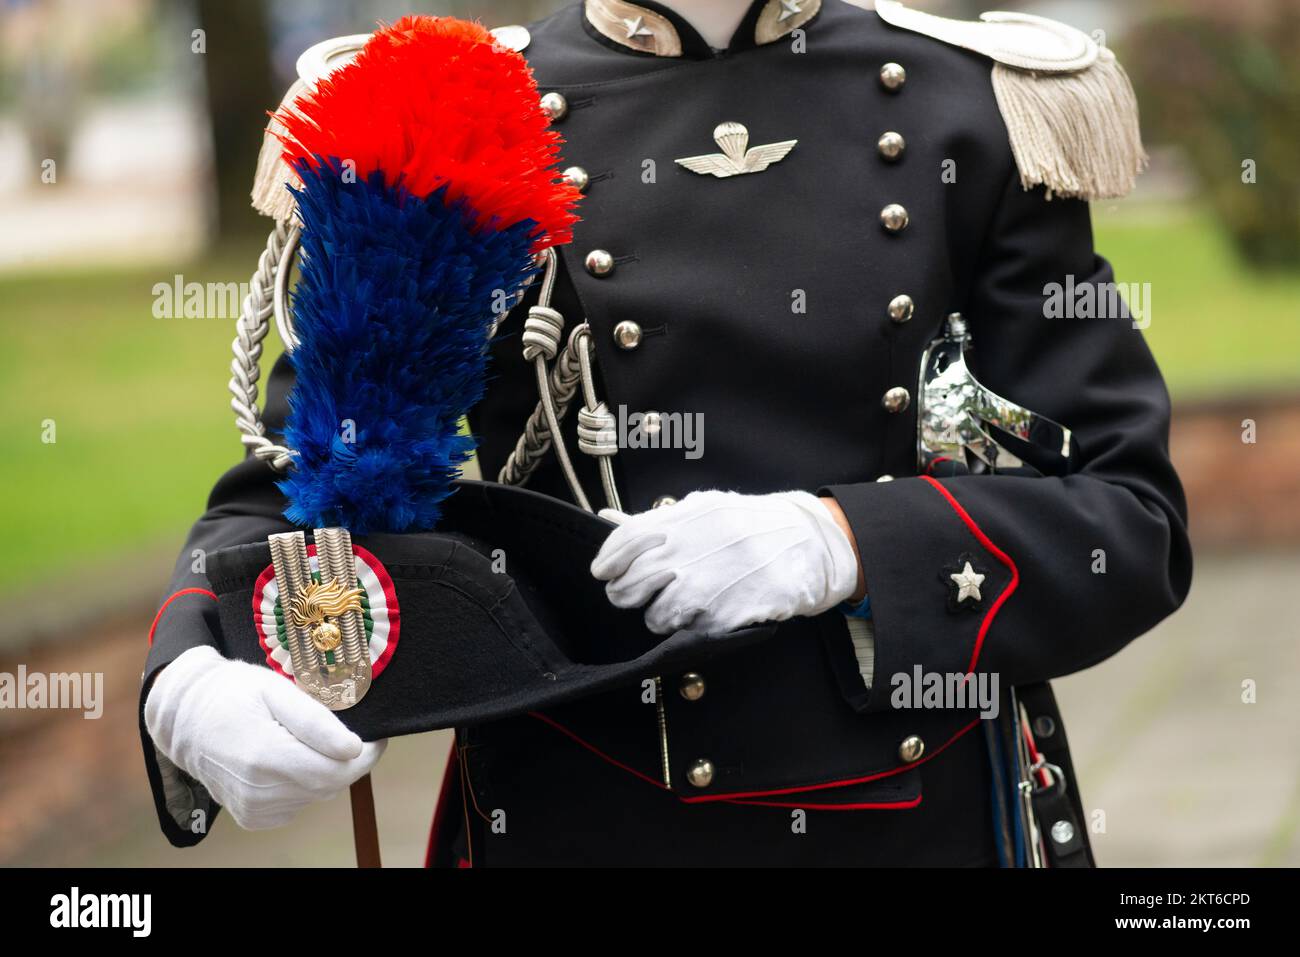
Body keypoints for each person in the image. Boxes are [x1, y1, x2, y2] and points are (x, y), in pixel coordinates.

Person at [140, 0, 1191, 866]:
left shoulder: (977, 107)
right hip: (565, 821)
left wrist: (841, 542)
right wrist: (190, 673)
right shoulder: (449, 111)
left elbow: (1126, 522)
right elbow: (305, 482)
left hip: (901, 822)